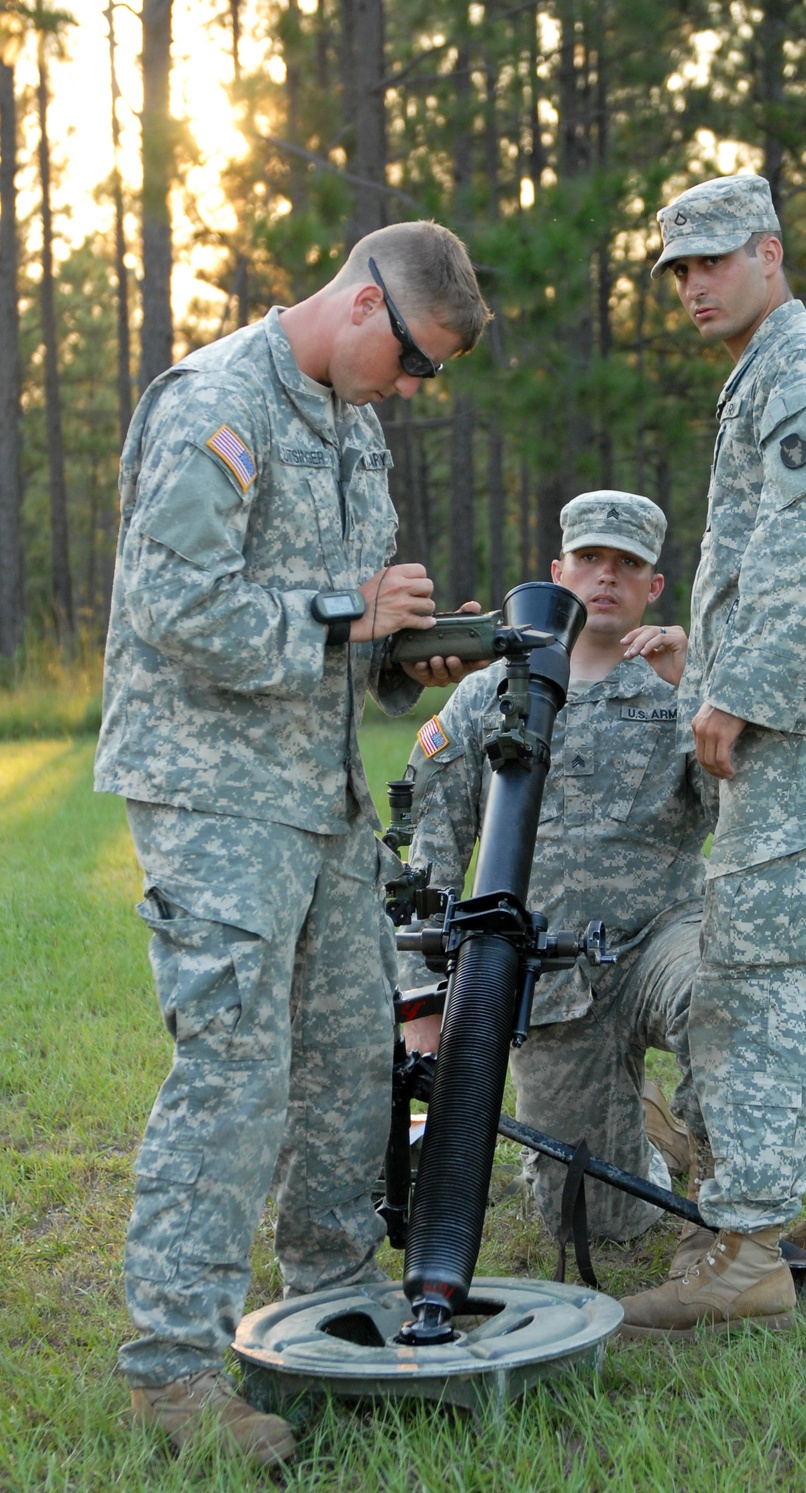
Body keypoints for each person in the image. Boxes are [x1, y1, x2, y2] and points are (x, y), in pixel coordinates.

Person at [95, 221, 491, 1464]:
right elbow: (174, 602)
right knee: (234, 1074)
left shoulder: (352, 427)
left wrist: (403, 658)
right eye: (418, 360)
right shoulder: (216, 403)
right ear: (367, 304)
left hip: (318, 798)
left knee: (346, 1059)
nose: (417, 390)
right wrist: (346, 610)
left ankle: (326, 1304)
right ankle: (171, 1374)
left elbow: (347, 645)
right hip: (213, 798)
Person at [618, 175, 806, 1341]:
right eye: (677, 270)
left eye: (710, 262)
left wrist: (739, 691)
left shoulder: (799, 368)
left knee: (759, 965)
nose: (692, 286)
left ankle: (741, 1244)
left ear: (770, 254)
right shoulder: (784, 367)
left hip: (804, 719)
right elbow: (780, 558)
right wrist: (717, 653)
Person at [397, 491, 714, 1243]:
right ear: (557, 570)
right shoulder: (488, 695)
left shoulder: (681, 689)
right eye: (591, 559)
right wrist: (423, 1002)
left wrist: (698, 681)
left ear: (652, 587)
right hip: (551, 978)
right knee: (596, 1223)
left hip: (663, 938)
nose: (607, 577)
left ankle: (727, 1213)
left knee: (721, 1000)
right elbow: (432, 849)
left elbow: (733, 813)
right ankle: (639, 1134)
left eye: (627, 564)